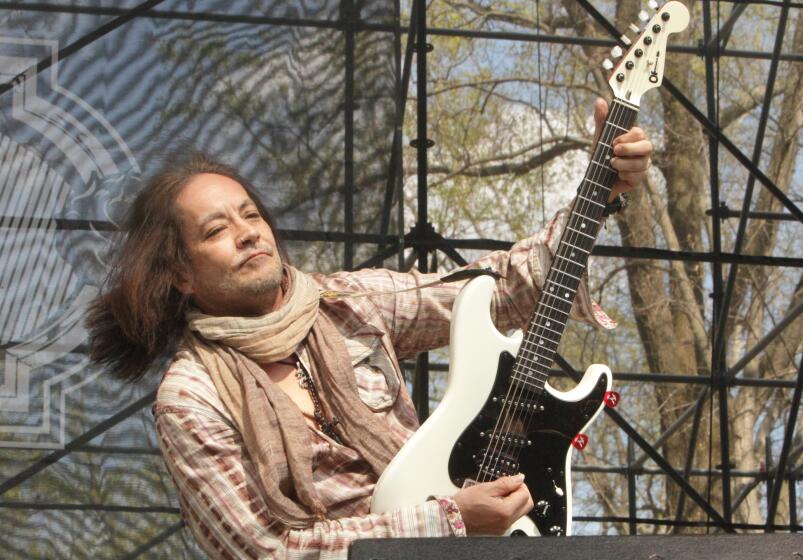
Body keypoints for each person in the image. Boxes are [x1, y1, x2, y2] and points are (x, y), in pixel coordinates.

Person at [86, 99, 652, 559]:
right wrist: (450, 520)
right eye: (215, 230)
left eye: (251, 215)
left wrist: (596, 193)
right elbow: (263, 551)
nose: (247, 233)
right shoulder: (191, 397)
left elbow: (509, 289)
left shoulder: (349, 303)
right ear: (180, 273)